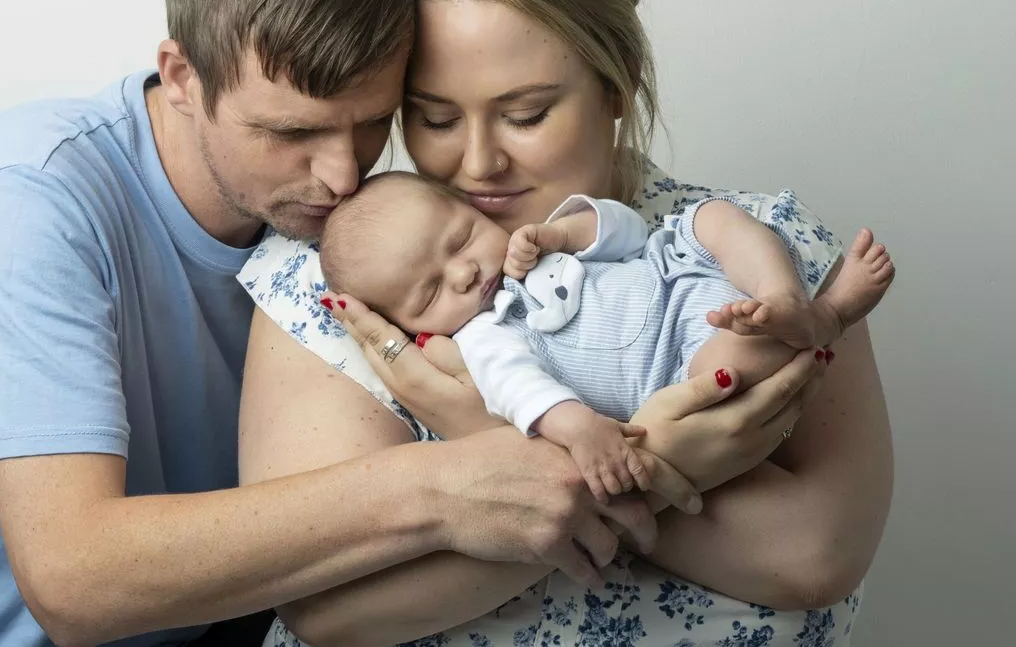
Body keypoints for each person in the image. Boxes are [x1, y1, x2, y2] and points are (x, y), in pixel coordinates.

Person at [0, 0, 710, 647]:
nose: (340, 173)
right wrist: (443, 485)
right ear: (181, 76)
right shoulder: (22, 203)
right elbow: (73, 582)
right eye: (291, 132)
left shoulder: (366, 231)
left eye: (371, 125)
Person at [238, 0, 892, 646]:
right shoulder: (344, 273)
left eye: (524, 113)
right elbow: (332, 609)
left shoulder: (762, 251)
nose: (476, 164)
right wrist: (649, 468)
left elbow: (814, 555)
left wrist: (487, 430)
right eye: (435, 118)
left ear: (615, 86)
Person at [318, 171, 894, 500]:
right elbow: (520, 394)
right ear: (408, 325)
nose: (465, 271)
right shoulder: (483, 337)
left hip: (677, 274)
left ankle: (786, 298)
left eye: (462, 237)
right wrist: (582, 430)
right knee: (727, 370)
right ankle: (833, 313)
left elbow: (628, 231)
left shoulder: (531, 243)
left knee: (712, 217)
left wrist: (560, 232)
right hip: (677, 362)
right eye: (430, 292)